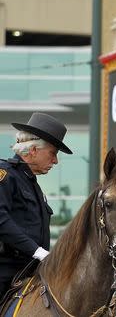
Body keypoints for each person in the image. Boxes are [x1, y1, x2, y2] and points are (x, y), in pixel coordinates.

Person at [0, 112, 72, 299]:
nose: (55, 161)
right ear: (33, 150)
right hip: (6, 269)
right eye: (53, 153)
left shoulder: (32, 184)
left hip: (33, 270)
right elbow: (1, 220)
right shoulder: (5, 175)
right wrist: (37, 252)